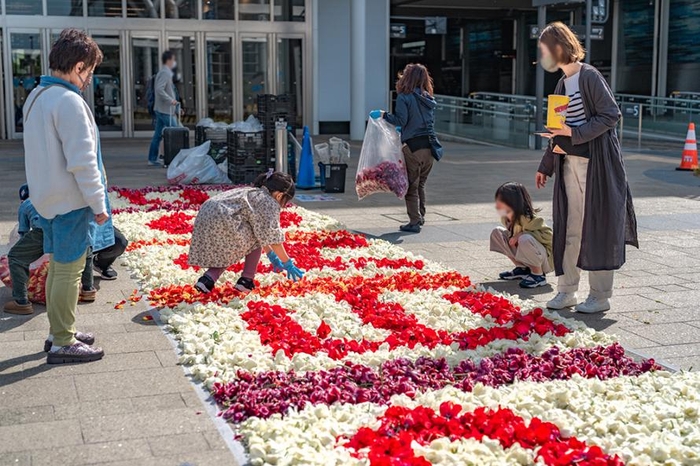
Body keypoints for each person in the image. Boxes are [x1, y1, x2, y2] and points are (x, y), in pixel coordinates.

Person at [535, 22, 638, 314]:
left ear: (558, 48)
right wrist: (546, 165)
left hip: (597, 166)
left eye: (544, 50)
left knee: (597, 227)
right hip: (569, 162)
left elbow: (610, 114)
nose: (543, 56)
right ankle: (566, 291)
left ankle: (599, 295)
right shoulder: (561, 83)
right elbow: (558, 129)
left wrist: (573, 133)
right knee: (569, 227)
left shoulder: (589, 76)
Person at [23, 28, 109, 364]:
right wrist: (99, 205)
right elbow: (83, 163)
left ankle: (59, 330)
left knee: (60, 267)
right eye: (89, 72)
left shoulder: (38, 96)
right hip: (70, 200)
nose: (88, 79)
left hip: (47, 197)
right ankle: (62, 340)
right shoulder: (69, 102)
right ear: (78, 67)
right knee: (69, 270)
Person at [189, 170, 305, 294]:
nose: (283, 206)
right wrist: (287, 263)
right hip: (223, 220)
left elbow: (261, 234)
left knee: (232, 246)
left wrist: (272, 256)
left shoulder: (251, 192)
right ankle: (246, 280)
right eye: (285, 202)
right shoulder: (268, 202)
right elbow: (272, 237)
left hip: (204, 217)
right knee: (248, 239)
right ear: (279, 195)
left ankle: (208, 279)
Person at [4, 187, 100, 315]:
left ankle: (21, 302)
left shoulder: (26, 204)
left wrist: (31, 252)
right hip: (73, 224)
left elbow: (23, 232)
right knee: (85, 250)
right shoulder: (57, 192)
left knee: (16, 257)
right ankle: (88, 290)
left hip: (43, 229)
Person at [370, 63, 442, 233]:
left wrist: (383, 115)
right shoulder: (428, 99)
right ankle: (420, 216)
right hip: (431, 147)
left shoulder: (404, 97)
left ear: (407, 77)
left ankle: (414, 222)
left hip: (413, 148)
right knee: (421, 184)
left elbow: (401, 120)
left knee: (411, 187)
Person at [490, 182, 553, 289]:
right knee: (497, 232)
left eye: (501, 201)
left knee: (525, 239)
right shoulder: (506, 218)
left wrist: (521, 234)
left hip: (544, 260)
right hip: (527, 255)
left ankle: (538, 275)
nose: (498, 204)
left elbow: (549, 236)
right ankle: (522, 268)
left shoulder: (529, 218)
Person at [147, 50, 179, 167]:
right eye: (173, 60)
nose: (174, 62)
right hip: (165, 110)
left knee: (157, 135)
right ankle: (177, 159)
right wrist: (171, 100)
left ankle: (152, 158)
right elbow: (160, 90)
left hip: (162, 109)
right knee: (177, 133)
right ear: (169, 60)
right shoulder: (165, 73)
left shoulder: (164, 73)